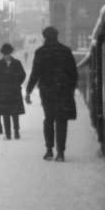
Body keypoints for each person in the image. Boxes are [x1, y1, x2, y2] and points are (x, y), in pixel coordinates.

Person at [25, 26, 78, 162]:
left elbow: (35, 73)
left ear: (44, 37)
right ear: (57, 35)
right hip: (63, 91)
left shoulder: (41, 52)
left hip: (47, 91)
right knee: (61, 120)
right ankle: (60, 152)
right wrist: (70, 89)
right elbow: (73, 73)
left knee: (49, 119)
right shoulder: (65, 51)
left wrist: (28, 91)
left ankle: (49, 150)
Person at [0, 42, 26, 140]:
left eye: (8, 53)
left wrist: (16, 83)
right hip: (3, 93)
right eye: (5, 54)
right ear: (3, 54)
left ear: (10, 53)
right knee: (5, 114)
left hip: (14, 92)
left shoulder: (17, 63)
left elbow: (22, 75)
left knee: (15, 113)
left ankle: (16, 132)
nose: (6, 56)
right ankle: (8, 134)